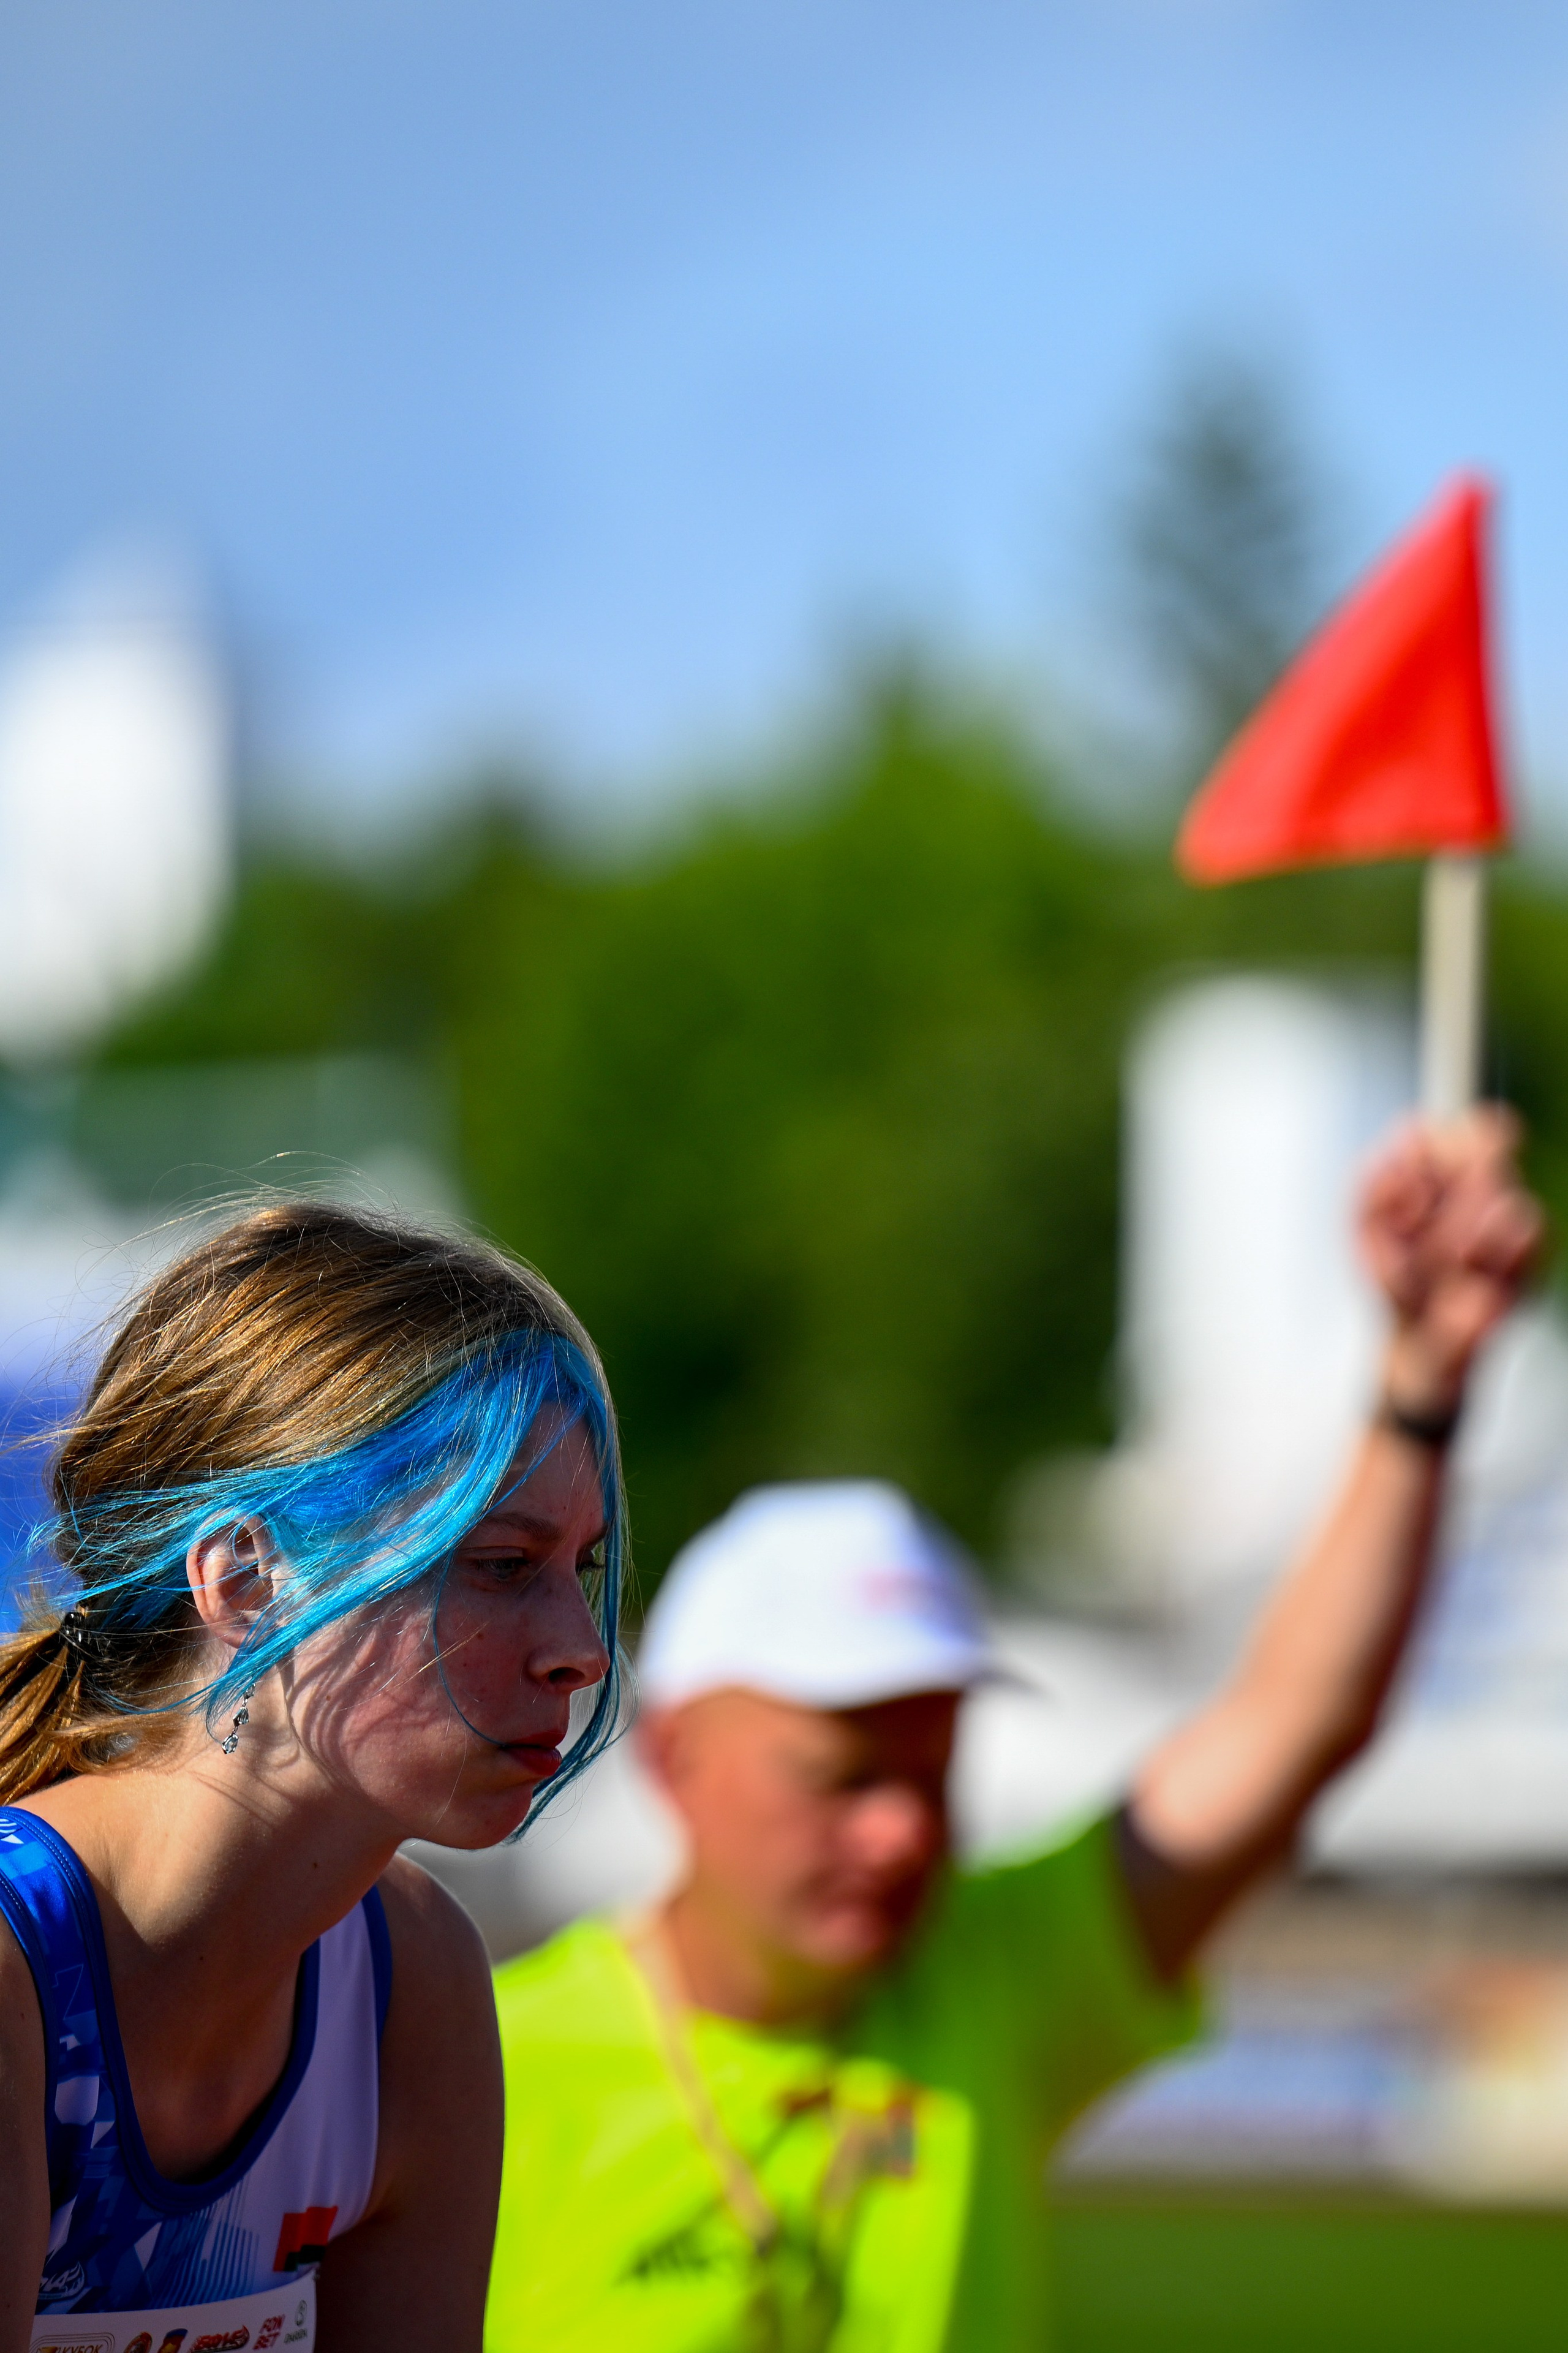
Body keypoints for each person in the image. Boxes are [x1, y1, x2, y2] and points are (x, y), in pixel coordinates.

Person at [486, 1111, 1543, 2353]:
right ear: (672, 1757)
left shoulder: (984, 1969)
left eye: (935, 1771)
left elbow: (1292, 1726)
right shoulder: (483, 2067)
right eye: (839, 1775)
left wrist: (1419, 1387)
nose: (899, 1831)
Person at [0, 1202, 622, 2353]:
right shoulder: (18, 1968)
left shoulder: (411, 1983)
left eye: (579, 1568)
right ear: (242, 1576)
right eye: (500, 1565)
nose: (579, 1646)